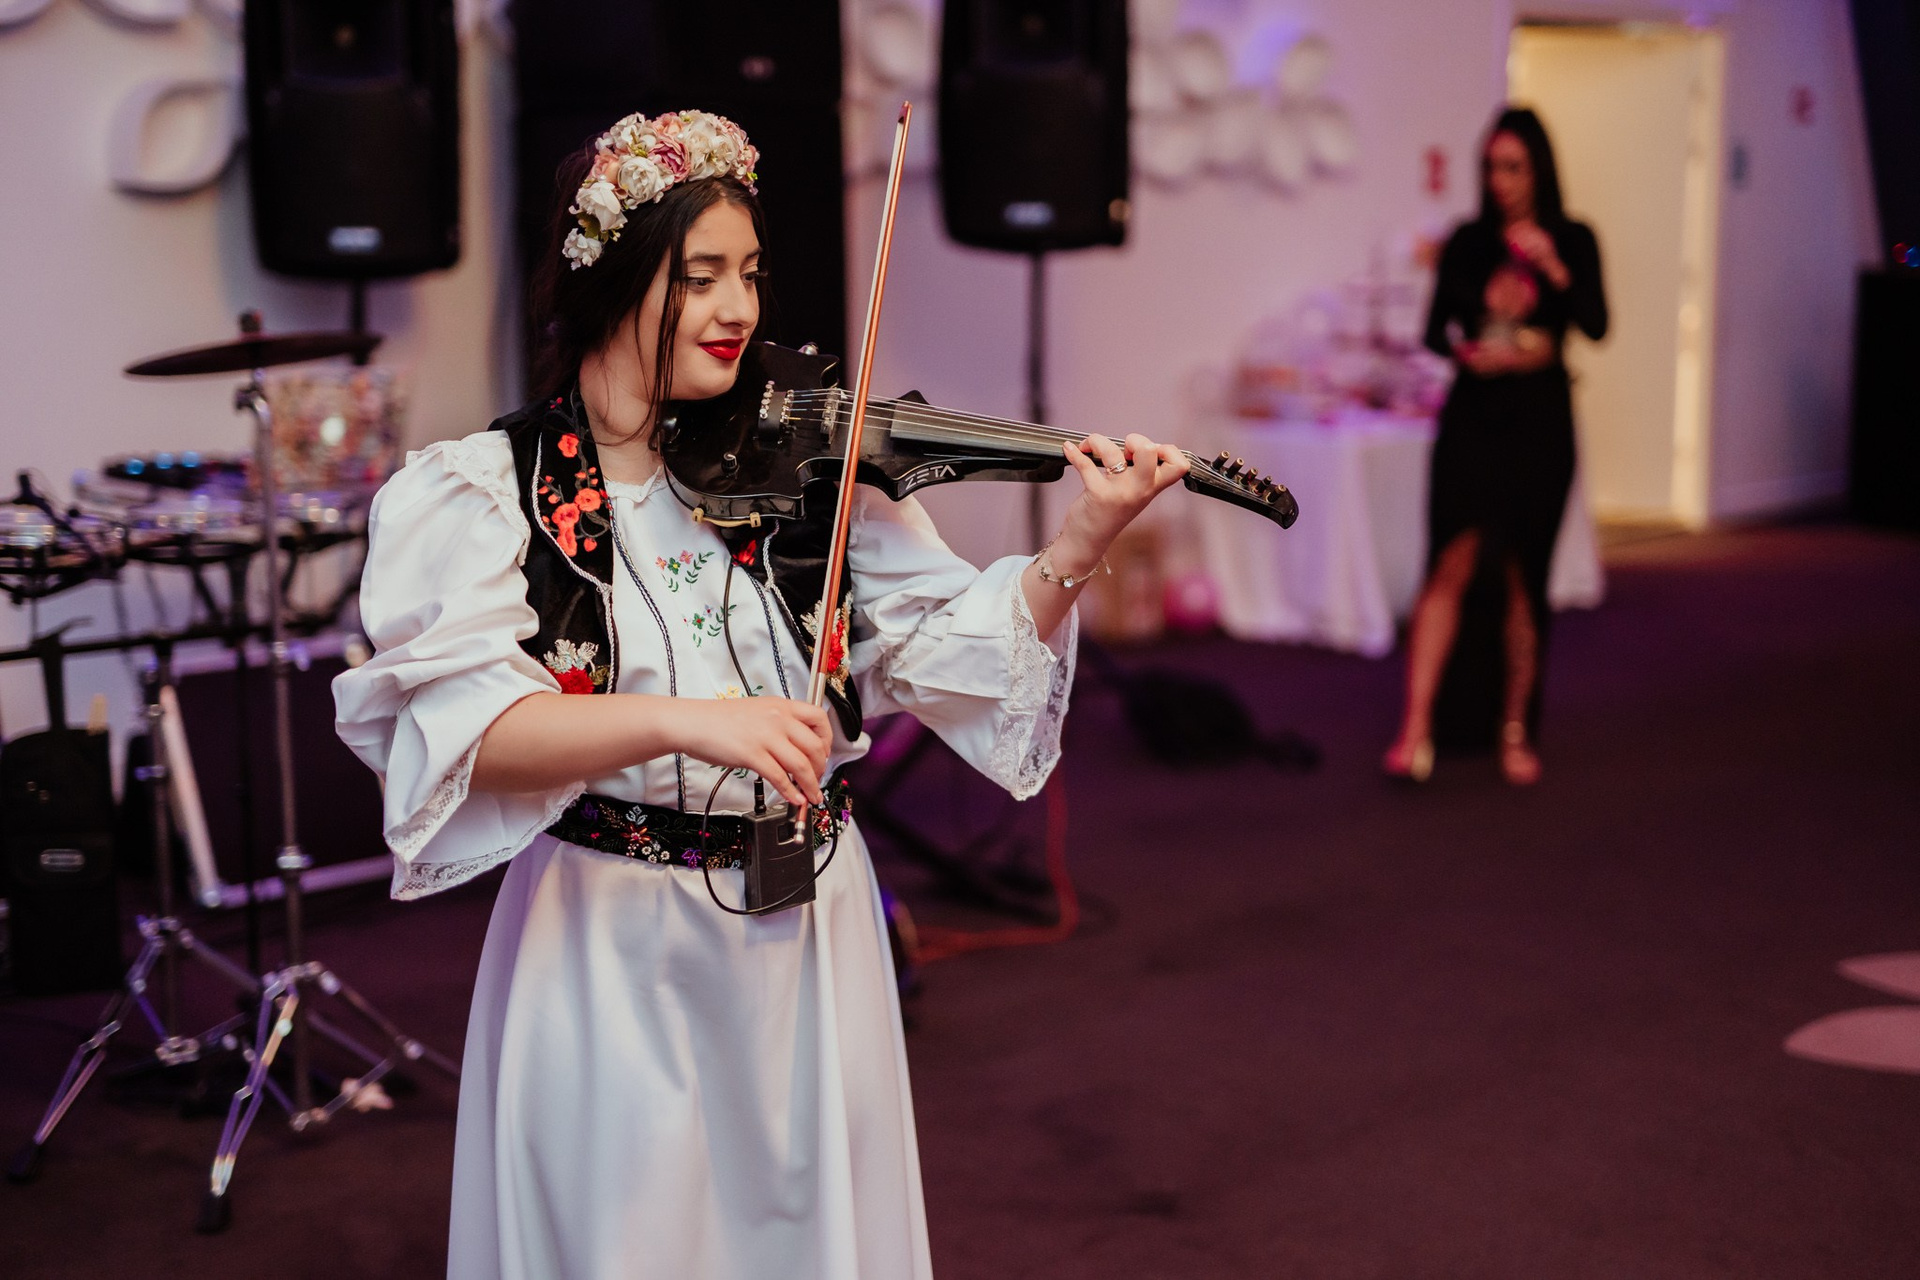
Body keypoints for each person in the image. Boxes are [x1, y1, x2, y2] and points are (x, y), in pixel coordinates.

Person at [331, 109, 1189, 1280]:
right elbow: (476, 735)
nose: (739, 308)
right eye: (700, 278)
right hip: (616, 943)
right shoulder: (488, 488)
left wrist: (1080, 541)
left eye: (750, 273)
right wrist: (695, 723)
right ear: (611, 280)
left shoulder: (801, 469)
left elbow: (958, 656)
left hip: (808, 928)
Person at [1383, 106, 1607, 786]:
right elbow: (1434, 333)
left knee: (1521, 575)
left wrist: (1553, 269)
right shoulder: (1468, 241)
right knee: (1448, 562)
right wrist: (1470, 349)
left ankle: (1514, 730)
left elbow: (1596, 323)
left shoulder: (1573, 238)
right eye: (1491, 168)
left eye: (1514, 168)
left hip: (1538, 423)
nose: (1500, 181)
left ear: (1538, 171)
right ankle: (1416, 727)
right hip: (1474, 418)